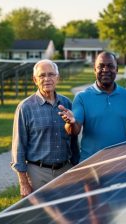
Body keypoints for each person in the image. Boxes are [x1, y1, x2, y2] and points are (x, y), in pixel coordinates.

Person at [11, 59, 79, 198]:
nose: (47, 79)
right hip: (38, 173)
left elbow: (73, 140)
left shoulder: (67, 103)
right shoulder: (25, 107)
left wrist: (76, 166)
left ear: (57, 78)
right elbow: (19, 147)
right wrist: (23, 182)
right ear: (35, 80)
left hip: (65, 169)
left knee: (68, 212)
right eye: (42, 75)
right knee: (42, 215)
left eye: (51, 74)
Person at [58, 51, 126, 161]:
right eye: (101, 66)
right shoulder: (82, 97)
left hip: (122, 162)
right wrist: (71, 123)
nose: (105, 70)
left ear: (117, 69)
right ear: (94, 70)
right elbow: (74, 130)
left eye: (110, 66)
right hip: (91, 164)